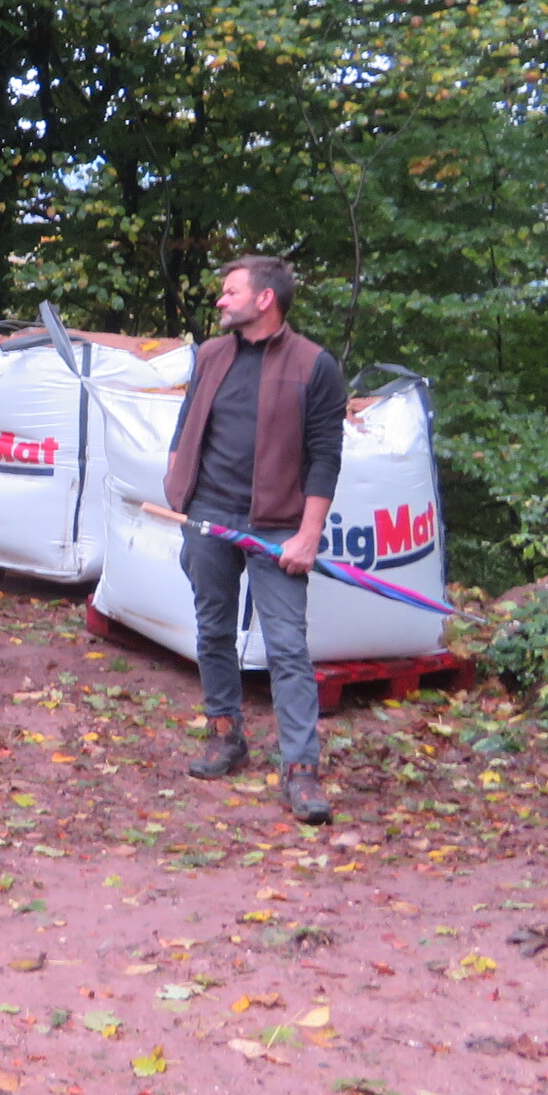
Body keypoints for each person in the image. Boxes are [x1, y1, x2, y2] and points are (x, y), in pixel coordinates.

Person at [165, 254, 348, 823]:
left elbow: (326, 458)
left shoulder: (314, 366)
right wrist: (178, 489)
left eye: (231, 291)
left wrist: (308, 536)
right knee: (213, 631)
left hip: (278, 524)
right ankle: (225, 734)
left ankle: (301, 769)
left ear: (264, 299)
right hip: (209, 515)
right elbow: (187, 425)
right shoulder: (210, 355)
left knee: (287, 648)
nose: (221, 300)